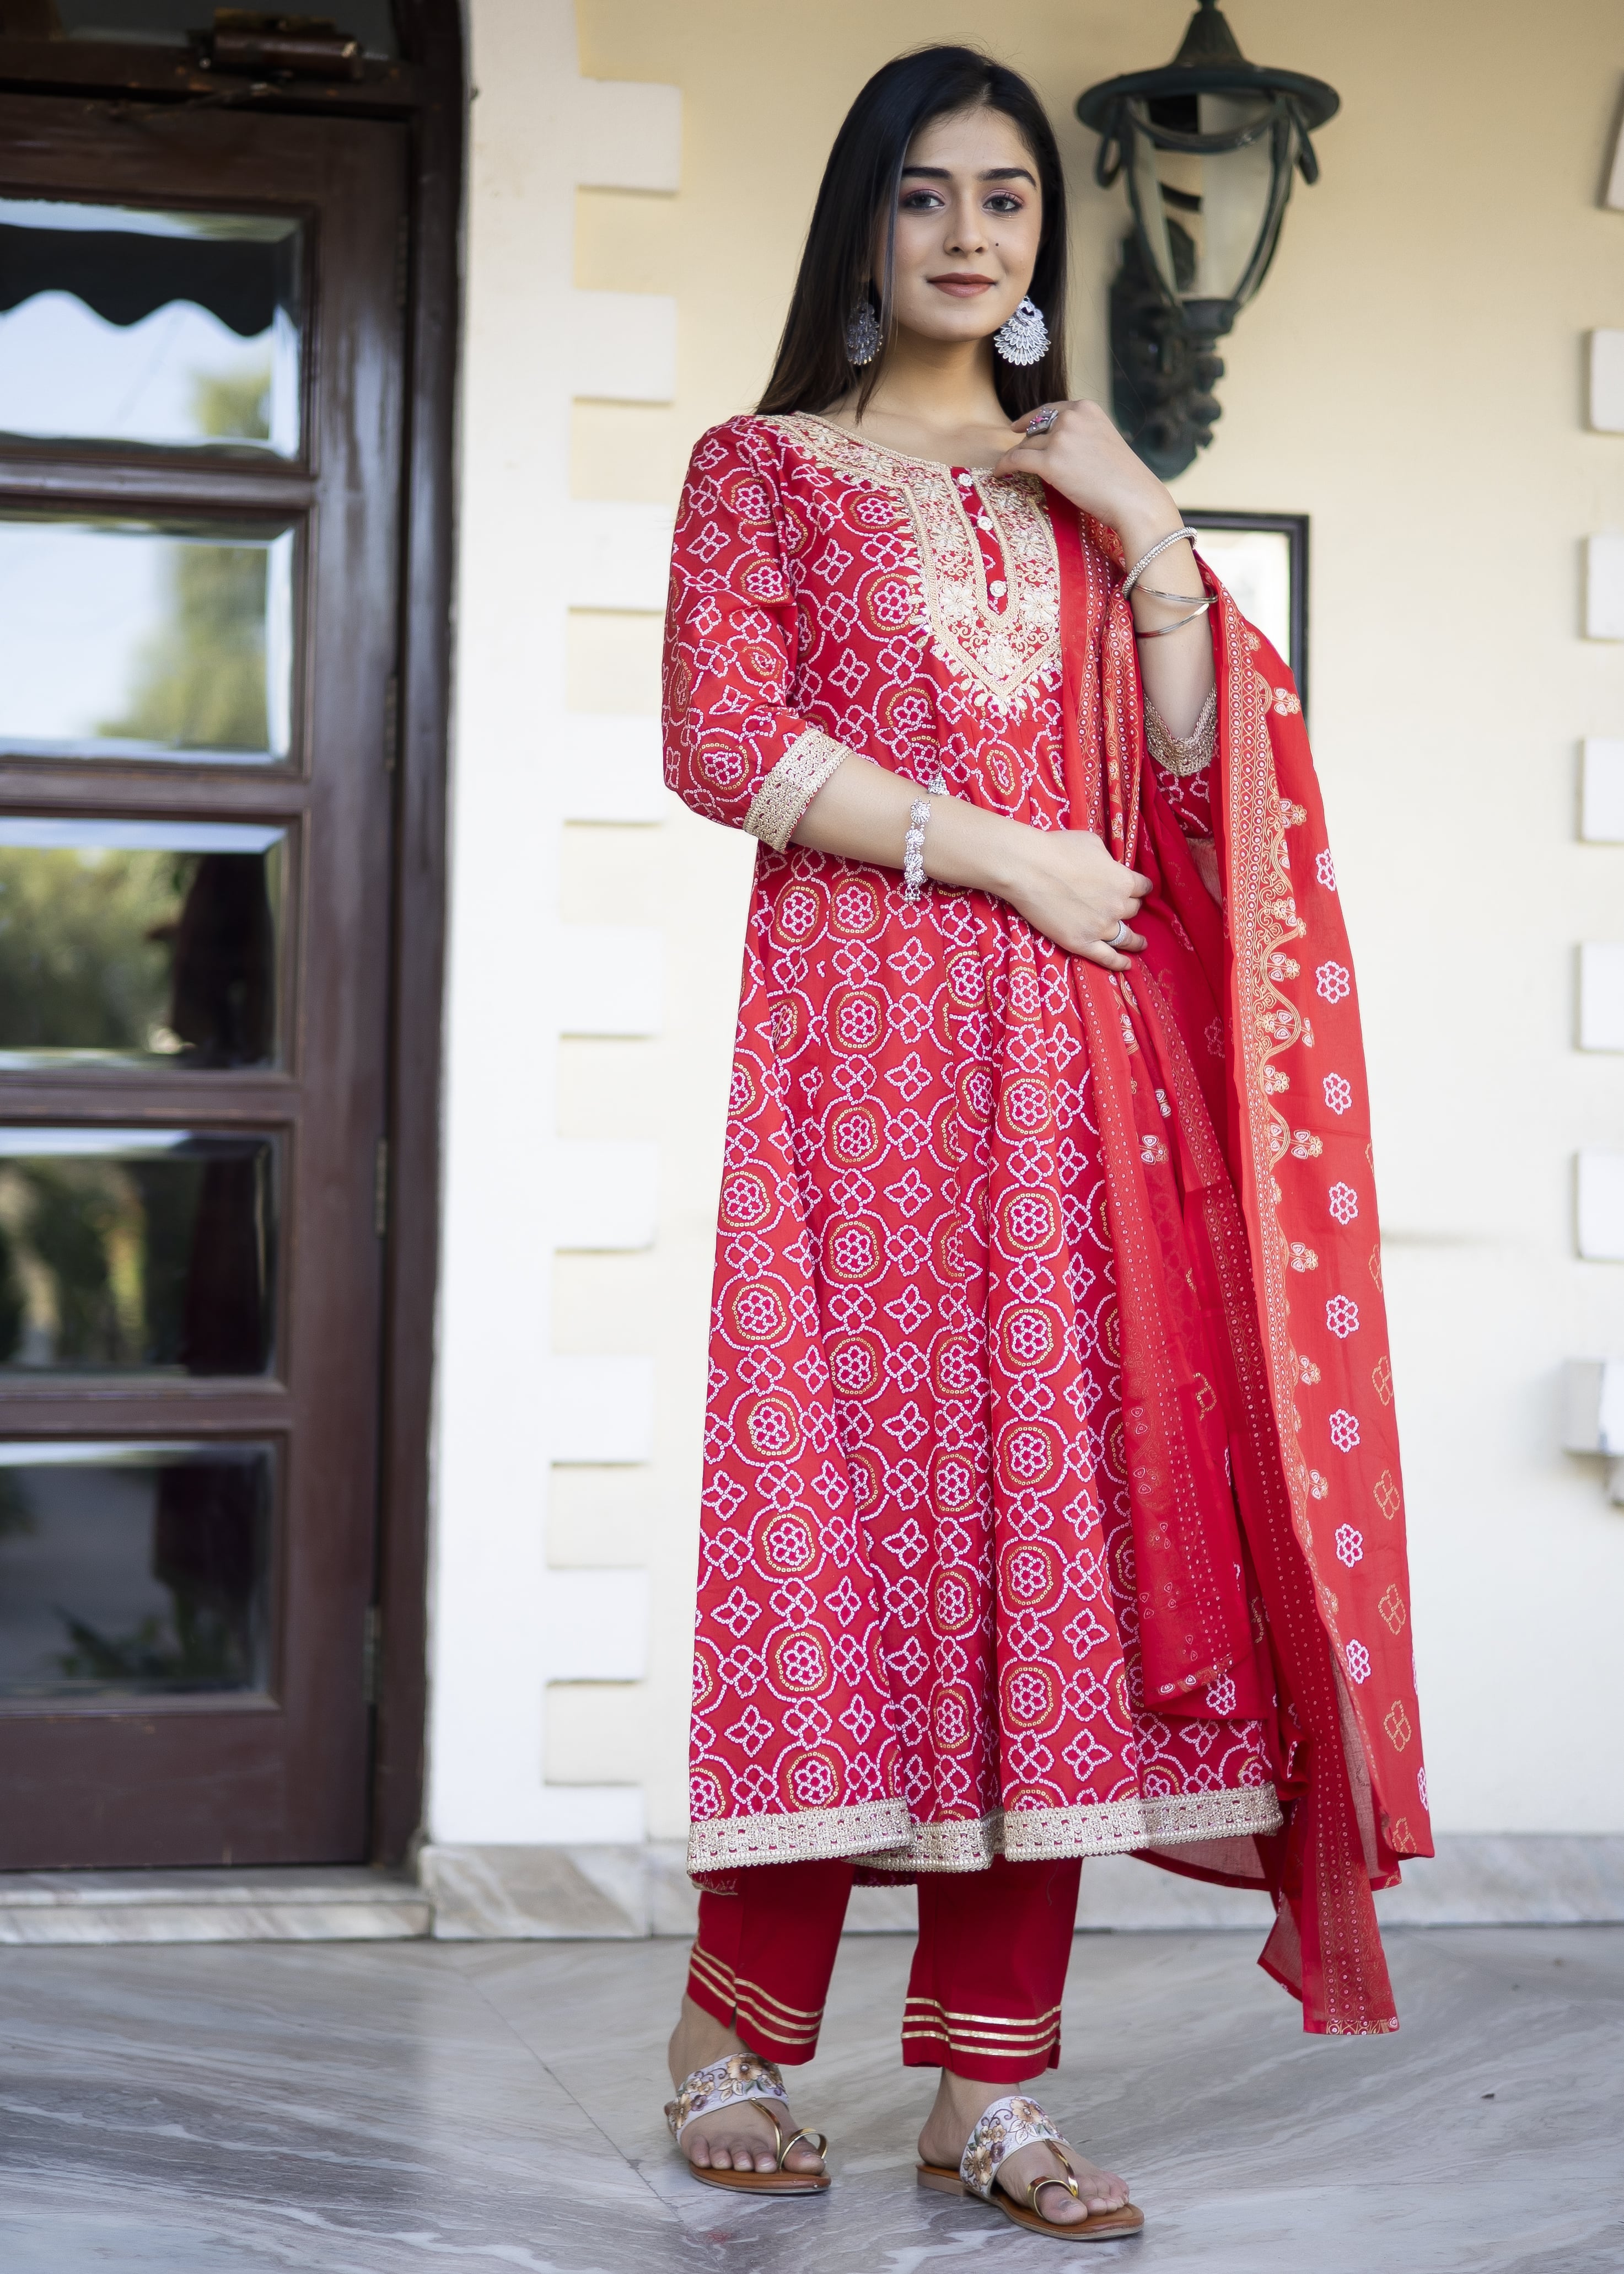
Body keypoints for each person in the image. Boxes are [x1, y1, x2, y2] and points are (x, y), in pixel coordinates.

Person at [659, 44, 1431, 2240]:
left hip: (1078, 1093)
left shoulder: (1078, 506)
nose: (970, 230)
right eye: (925, 194)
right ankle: (734, 2034)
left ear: (1041, 238)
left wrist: (1156, 537)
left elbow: (1194, 794)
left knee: (1050, 1566)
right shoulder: (765, 472)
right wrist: (999, 852)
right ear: (863, 224)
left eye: (1006, 196)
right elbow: (722, 743)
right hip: (856, 1060)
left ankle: (986, 2095)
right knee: (839, 1539)